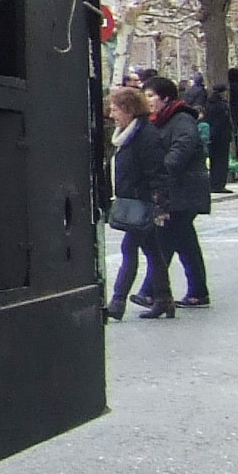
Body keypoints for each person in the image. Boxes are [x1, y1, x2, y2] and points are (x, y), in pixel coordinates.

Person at [144, 71, 211, 311]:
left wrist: (161, 170)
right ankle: (197, 291)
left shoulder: (181, 119)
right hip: (176, 191)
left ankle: (150, 291)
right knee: (184, 242)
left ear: (165, 98)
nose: (147, 100)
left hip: (185, 190)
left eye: (150, 95)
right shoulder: (160, 120)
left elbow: (182, 148)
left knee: (166, 238)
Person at [104, 84, 166, 322]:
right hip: (134, 200)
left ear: (129, 109)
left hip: (143, 202)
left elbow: (156, 171)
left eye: (115, 109)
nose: (112, 114)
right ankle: (164, 299)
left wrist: (160, 204)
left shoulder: (145, 136)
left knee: (129, 249)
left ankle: (117, 301)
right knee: (153, 251)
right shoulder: (127, 135)